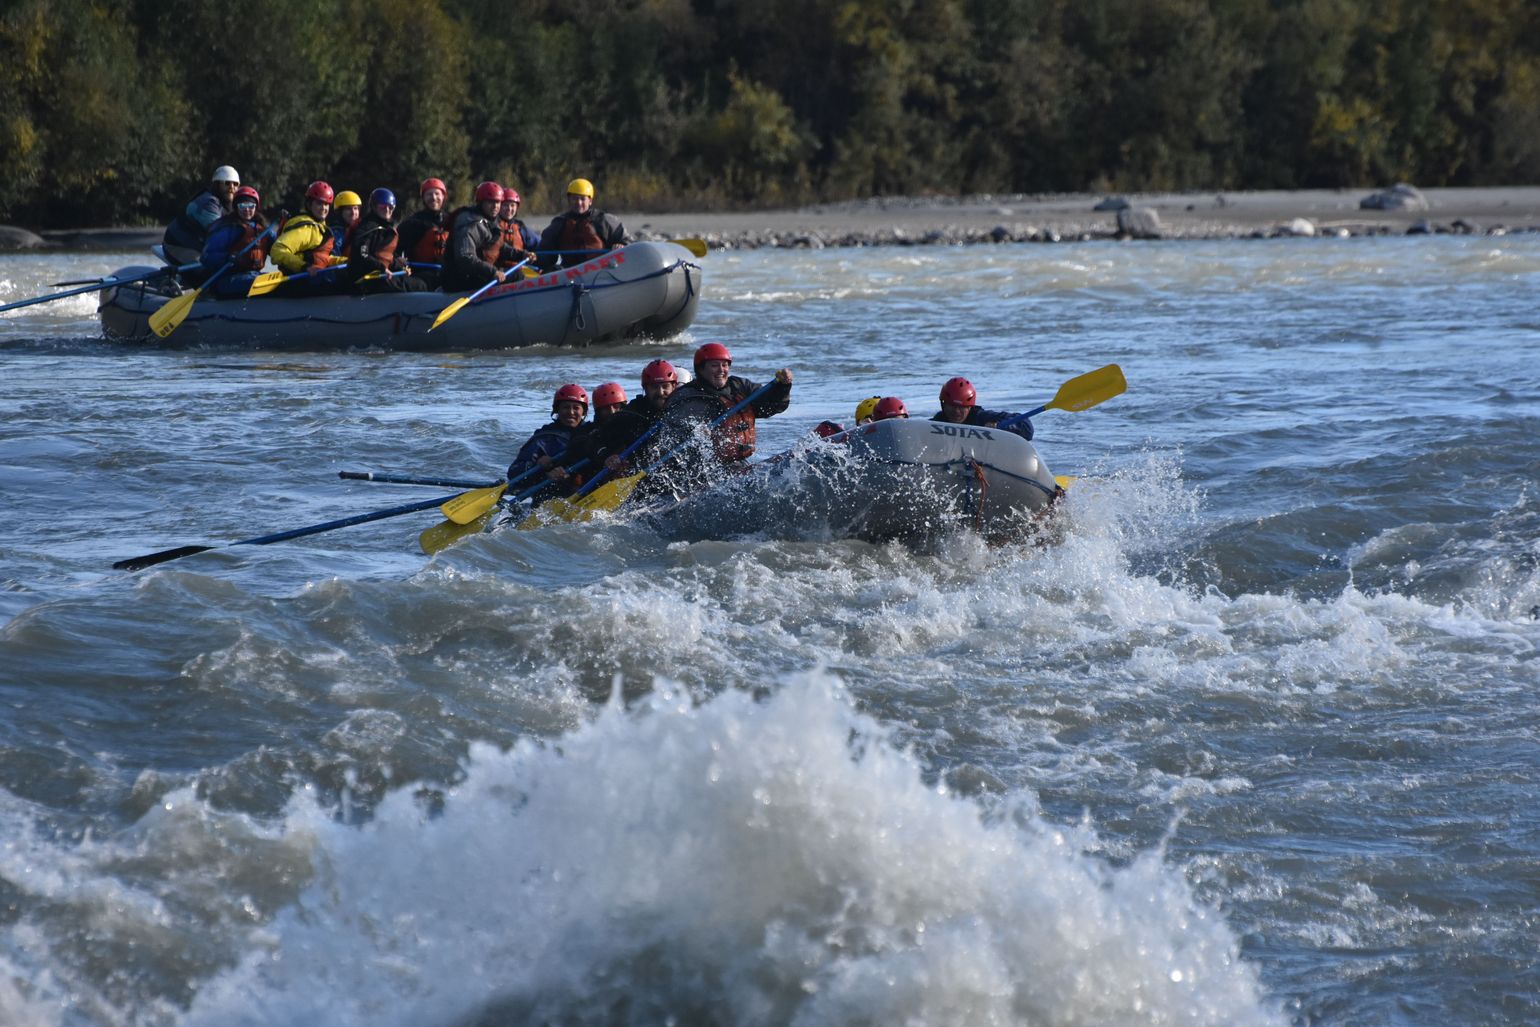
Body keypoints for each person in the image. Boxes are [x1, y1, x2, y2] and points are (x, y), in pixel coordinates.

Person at [645, 343, 792, 497]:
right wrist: (694, 430)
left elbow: (770, 407)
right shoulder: (688, 396)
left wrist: (782, 388)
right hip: (700, 473)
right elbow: (675, 428)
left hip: (737, 465)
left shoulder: (739, 386)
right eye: (714, 365)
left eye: (725, 365)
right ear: (701, 369)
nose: (721, 370)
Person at [506, 384, 591, 506]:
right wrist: (541, 467)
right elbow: (513, 473)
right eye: (566, 407)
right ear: (557, 410)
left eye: (576, 408)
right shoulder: (543, 439)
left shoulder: (593, 433)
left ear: (583, 412)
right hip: (549, 500)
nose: (571, 412)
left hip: (586, 495)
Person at [343, 188, 428, 293]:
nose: (387, 210)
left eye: (391, 207)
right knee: (420, 285)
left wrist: (399, 264)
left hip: (379, 276)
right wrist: (381, 268)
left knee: (423, 280)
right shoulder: (367, 228)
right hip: (366, 281)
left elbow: (383, 255)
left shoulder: (386, 228)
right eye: (383, 206)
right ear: (374, 206)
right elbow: (362, 254)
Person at [442, 181, 520, 293]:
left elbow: (499, 248)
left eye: (498, 202)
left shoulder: (491, 221)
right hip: (459, 280)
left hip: (475, 274)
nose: (495, 206)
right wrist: (493, 271)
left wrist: (521, 255)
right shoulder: (471, 224)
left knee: (515, 274)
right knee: (516, 276)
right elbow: (465, 257)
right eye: (490, 202)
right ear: (481, 202)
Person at [269, 181, 343, 295]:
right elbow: (277, 250)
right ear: (309, 204)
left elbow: (322, 258)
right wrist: (305, 267)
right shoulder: (306, 228)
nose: (323, 208)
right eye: (319, 203)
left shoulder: (320, 228)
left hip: (315, 282)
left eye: (326, 204)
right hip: (302, 285)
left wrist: (344, 261)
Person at [537, 177, 627, 269]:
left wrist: (621, 246)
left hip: (601, 270)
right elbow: (545, 254)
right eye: (574, 199)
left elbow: (629, 243)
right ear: (569, 200)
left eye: (583, 199)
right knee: (555, 269)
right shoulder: (559, 223)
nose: (578, 203)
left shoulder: (604, 220)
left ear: (590, 201)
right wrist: (536, 258)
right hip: (569, 273)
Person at [197, 185, 270, 298]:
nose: (247, 209)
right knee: (265, 284)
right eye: (242, 206)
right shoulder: (228, 228)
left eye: (251, 206)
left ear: (256, 207)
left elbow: (279, 247)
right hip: (228, 280)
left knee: (277, 281)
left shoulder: (263, 229)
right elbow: (206, 257)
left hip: (252, 275)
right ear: (236, 207)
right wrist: (227, 257)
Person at [163, 165, 241, 266]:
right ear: (217, 185)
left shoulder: (231, 205)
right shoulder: (207, 203)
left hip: (198, 246)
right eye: (227, 183)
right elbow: (221, 232)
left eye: (235, 184)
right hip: (178, 245)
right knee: (209, 269)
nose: (231, 188)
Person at [932, 377, 1033, 439]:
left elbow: (1027, 428)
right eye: (952, 406)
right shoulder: (938, 421)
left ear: (970, 407)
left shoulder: (981, 417)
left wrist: (1000, 426)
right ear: (943, 404)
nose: (956, 412)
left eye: (962, 407)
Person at [398, 177, 450, 287]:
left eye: (437, 194)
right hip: (421, 275)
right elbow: (393, 248)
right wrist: (398, 259)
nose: (433, 198)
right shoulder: (413, 223)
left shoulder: (452, 221)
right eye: (429, 194)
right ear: (423, 198)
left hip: (447, 275)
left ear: (443, 196)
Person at [496, 187, 539, 269]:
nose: (509, 209)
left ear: (517, 207)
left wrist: (534, 255)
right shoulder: (492, 225)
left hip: (518, 269)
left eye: (512, 205)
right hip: (497, 271)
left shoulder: (520, 227)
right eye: (505, 205)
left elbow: (538, 244)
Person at [329, 190, 363, 257]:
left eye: (355, 208)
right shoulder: (334, 233)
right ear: (340, 212)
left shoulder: (363, 230)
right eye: (348, 209)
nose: (353, 213)